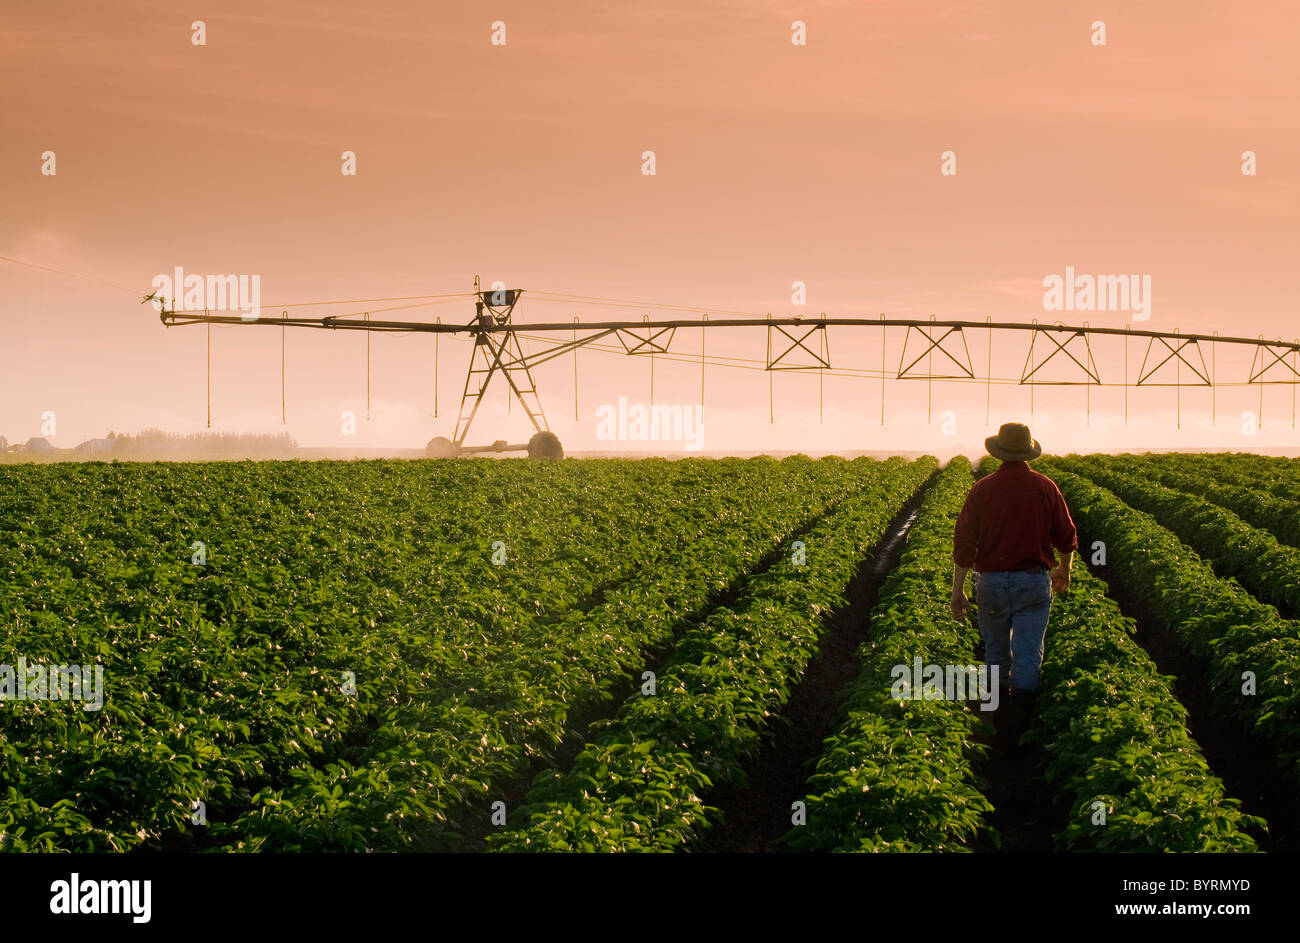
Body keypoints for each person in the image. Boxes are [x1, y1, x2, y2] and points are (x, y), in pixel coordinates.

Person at [949, 422, 1077, 753]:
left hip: (990, 581)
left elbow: (965, 543)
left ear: (999, 452)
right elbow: (1066, 535)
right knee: (1028, 652)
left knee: (994, 653)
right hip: (1032, 581)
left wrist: (957, 591)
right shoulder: (1046, 487)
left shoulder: (983, 490)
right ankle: (1020, 729)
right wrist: (1064, 570)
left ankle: (998, 725)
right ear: (1028, 452)